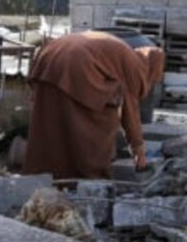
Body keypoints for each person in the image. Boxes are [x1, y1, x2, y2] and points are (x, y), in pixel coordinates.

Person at [22, 30, 164, 180]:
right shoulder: (134, 66)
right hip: (76, 60)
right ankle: (89, 175)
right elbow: (130, 114)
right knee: (98, 121)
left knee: (51, 120)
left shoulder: (122, 52)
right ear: (152, 69)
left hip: (49, 55)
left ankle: (44, 172)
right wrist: (139, 154)